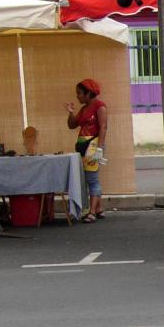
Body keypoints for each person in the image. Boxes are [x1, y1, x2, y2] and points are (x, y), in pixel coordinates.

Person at [64, 78, 107, 222]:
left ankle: (92, 212)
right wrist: (70, 113)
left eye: (80, 94)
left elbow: (103, 127)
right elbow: (72, 125)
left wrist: (100, 148)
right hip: (82, 145)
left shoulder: (100, 106)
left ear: (88, 93)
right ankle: (99, 208)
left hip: (93, 144)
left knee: (92, 179)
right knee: (88, 178)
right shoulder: (83, 109)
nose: (77, 96)